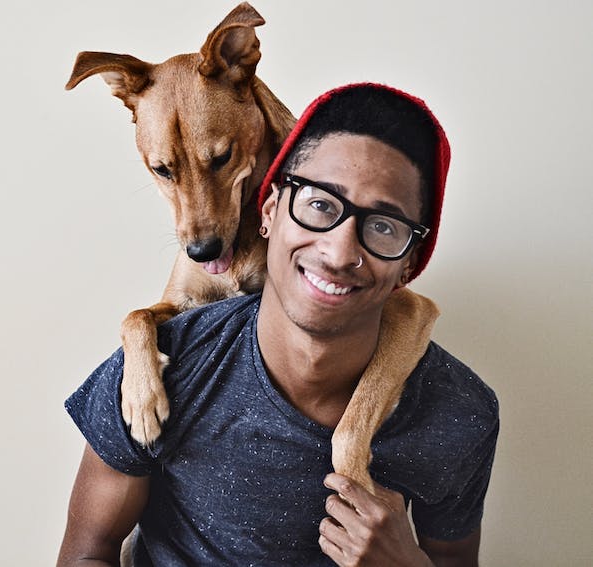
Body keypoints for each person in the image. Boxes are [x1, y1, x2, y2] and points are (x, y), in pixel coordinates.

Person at [57, 83, 499, 566]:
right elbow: (87, 553)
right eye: (319, 204)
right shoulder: (162, 367)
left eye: (382, 226)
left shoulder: (458, 411)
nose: (338, 252)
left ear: (410, 263)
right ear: (269, 211)